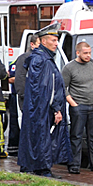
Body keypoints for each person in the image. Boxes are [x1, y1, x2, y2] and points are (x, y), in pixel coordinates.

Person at [17, 24, 72, 177]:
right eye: (53, 40)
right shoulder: (43, 60)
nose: (56, 44)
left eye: (57, 41)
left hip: (38, 108)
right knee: (42, 138)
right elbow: (48, 87)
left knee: (34, 137)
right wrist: (56, 109)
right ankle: (42, 168)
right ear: (43, 41)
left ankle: (32, 166)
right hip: (43, 109)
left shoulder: (40, 59)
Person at [62, 41, 93, 174]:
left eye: (89, 53)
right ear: (78, 53)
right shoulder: (69, 68)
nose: (88, 56)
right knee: (76, 136)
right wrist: (73, 104)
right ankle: (74, 164)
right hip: (78, 106)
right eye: (85, 53)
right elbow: (63, 88)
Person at [8, 34, 42, 154]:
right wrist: (24, 96)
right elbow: (19, 78)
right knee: (26, 127)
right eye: (39, 44)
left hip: (38, 99)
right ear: (32, 45)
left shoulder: (44, 58)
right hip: (28, 99)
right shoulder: (25, 58)